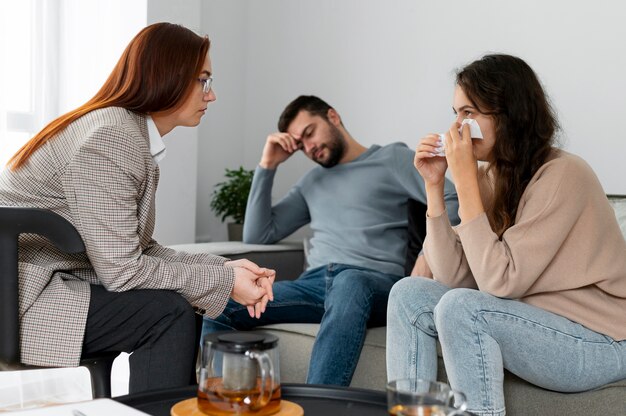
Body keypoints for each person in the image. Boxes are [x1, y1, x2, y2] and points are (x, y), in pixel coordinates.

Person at [0, 22, 276, 394]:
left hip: (44, 282)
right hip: (18, 298)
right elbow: (124, 272)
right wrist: (225, 282)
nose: (212, 96)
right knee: (167, 313)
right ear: (170, 77)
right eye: (204, 81)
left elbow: (139, 252)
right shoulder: (112, 139)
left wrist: (223, 267)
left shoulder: (121, 130)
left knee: (178, 303)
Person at [386, 54, 626, 416]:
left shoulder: (564, 175)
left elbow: (499, 282)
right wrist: (435, 188)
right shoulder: (489, 177)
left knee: (461, 308)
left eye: (469, 113)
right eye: (456, 113)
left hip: (602, 340)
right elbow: (456, 277)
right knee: (408, 293)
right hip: (538, 323)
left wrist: (465, 181)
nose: (458, 126)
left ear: (509, 114)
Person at [202, 95, 460, 386]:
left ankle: (318, 409)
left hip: (373, 283)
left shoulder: (391, 159)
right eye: (301, 144)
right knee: (219, 299)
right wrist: (267, 165)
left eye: (310, 133)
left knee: (349, 282)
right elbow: (257, 234)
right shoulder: (311, 182)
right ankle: (218, 404)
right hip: (313, 286)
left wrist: (426, 255)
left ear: (333, 117)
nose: (309, 148)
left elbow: (451, 200)